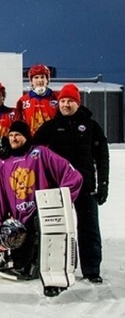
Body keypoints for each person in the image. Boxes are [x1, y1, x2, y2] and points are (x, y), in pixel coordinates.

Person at [33, 83, 109, 284]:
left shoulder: (91, 126)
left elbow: (102, 157)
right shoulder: (50, 126)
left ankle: (92, 270)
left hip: (85, 187)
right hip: (57, 189)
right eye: (62, 101)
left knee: (89, 229)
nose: (65, 105)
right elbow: (32, 151)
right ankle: (59, 266)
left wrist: (103, 185)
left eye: (70, 101)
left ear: (77, 102)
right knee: (57, 231)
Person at [0, 120, 83, 282]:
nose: (14, 139)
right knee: (18, 256)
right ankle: (22, 263)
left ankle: (42, 265)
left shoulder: (40, 153)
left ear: (26, 137)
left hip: (41, 215)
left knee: (42, 236)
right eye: (11, 135)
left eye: (18, 135)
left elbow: (73, 176)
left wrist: (57, 203)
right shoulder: (4, 162)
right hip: (19, 221)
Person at [15, 64, 59, 136]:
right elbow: (18, 123)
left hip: (53, 141)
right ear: (31, 81)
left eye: (42, 77)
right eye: (36, 77)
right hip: (32, 141)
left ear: (47, 80)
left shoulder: (57, 97)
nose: (40, 80)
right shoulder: (23, 100)